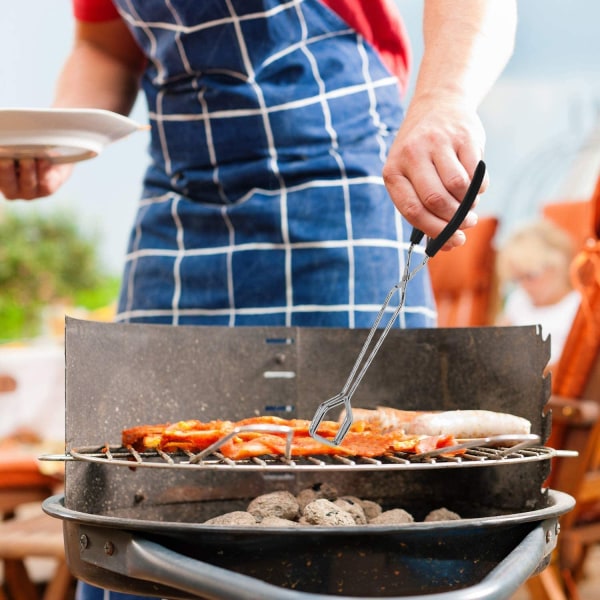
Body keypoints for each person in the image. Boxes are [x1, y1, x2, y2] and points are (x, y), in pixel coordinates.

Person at [0, 1, 516, 598]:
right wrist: (61, 138)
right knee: (135, 498)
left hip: (342, 180)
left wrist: (443, 99)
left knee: (369, 494)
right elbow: (106, 45)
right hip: (181, 206)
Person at [495, 219, 581, 365]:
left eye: (530, 276)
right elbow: (496, 345)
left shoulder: (577, 306)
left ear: (557, 266)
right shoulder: (518, 300)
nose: (524, 287)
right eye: (517, 279)